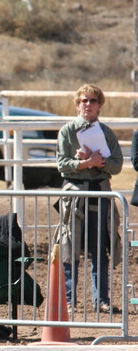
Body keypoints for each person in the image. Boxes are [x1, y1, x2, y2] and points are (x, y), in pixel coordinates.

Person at [55, 83, 122, 314]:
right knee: (69, 245)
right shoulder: (67, 131)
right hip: (75, 194)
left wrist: (100, 161)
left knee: (100, 246)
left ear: (99, 105)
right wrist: (84, 163)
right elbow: (62, 165)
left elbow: (117, 165)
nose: (88, 104)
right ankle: (69, 301)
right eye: (84, 100)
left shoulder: (106, 133)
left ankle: (101, 299)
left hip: (100, 192)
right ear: (77, 103)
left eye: (93, 100)